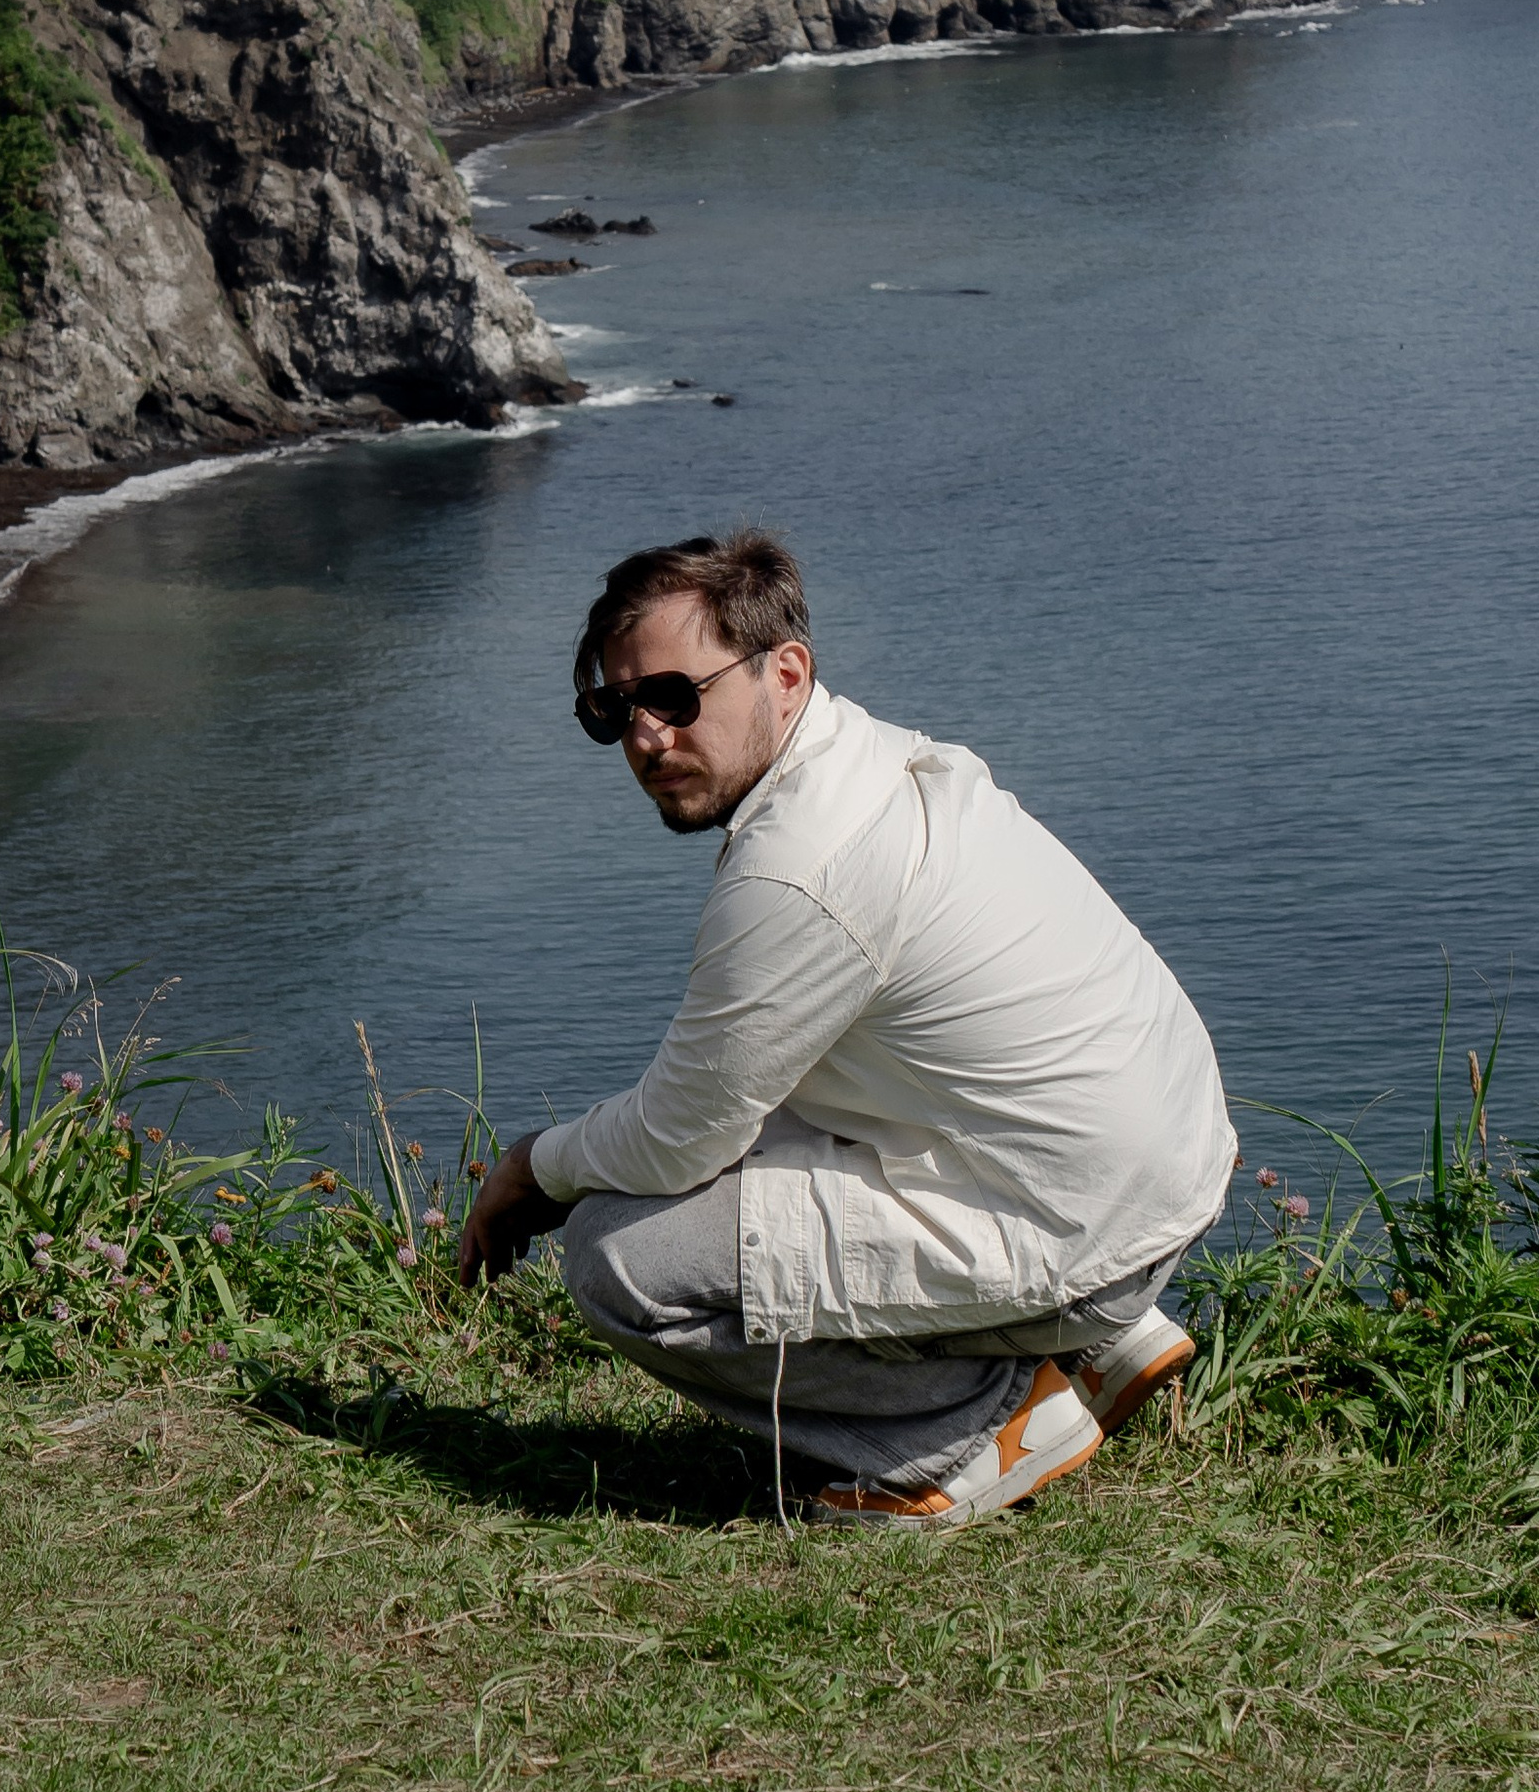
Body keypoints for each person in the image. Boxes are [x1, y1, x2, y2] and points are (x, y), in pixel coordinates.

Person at [458, 528, 1235, 1526]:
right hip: (1142, 1173)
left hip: (1091, 1228)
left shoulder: (800, 866)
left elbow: (678, 1135)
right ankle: (1089, 1343)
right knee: (745, 1143)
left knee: (617, 1253)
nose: (645, 737)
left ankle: (968, 1434)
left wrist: (534, 1166)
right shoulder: (871, 758)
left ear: (784, 672)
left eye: (673, 696)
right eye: (613, 709)